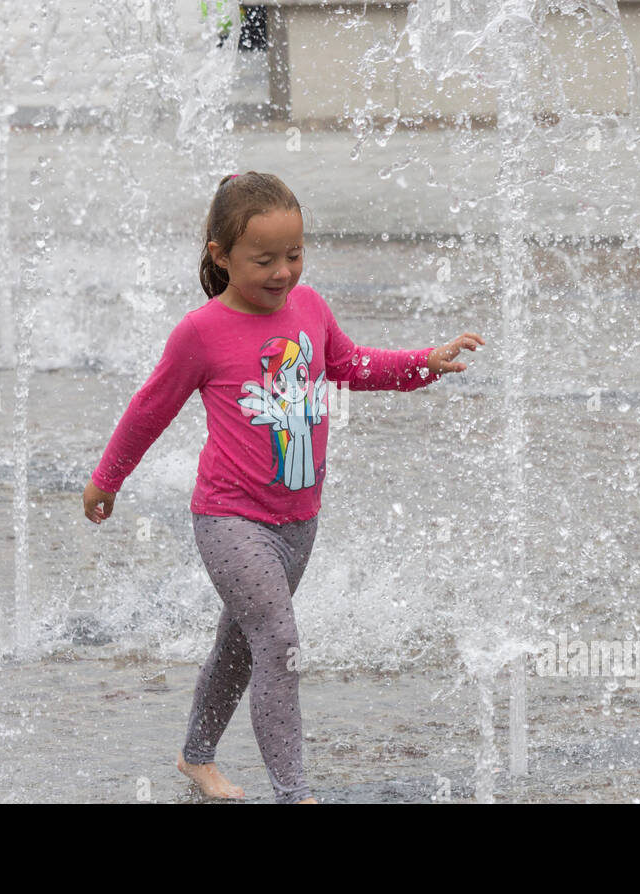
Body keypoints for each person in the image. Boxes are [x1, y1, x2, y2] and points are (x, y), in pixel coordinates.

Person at [83, 171, 484, 803]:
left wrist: (422, 361)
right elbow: (149, 408)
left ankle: (196, 758)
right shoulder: (202, 332)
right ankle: (294, 792)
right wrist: (109, 477)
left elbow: (351, 366)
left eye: (293, 254)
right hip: (229, 518)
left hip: (299, 521)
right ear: (222, 256)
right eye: (263, 259)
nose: (282, 272)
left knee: (240, 642)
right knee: (280, 639)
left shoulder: (311, 308)